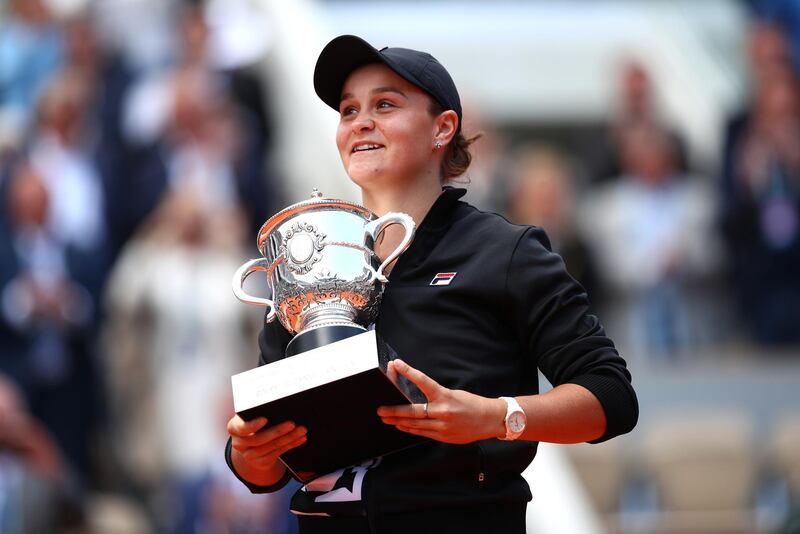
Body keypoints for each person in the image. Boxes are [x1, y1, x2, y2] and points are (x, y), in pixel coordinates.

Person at [225, 35, 638, 533]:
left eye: (384, 104)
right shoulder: (309, 266)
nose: (360, 121)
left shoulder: (504, 252)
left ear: (443, 128)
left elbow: (611, 396)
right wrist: (252, 451)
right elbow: (260, 470)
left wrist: (494, 416)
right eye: (348, 109)